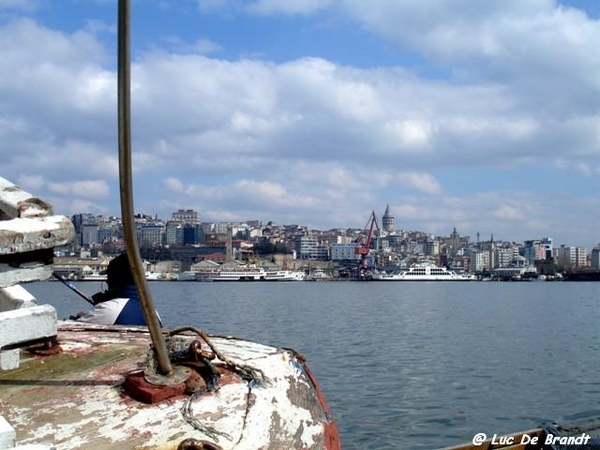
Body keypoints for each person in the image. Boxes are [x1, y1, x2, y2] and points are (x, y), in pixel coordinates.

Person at [74, 252, 159, 326]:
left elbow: (72, 328)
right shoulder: (152, 311)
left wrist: (81, 316)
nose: (107, 281)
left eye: (109, 277)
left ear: (116, 279)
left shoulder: (108, 309)